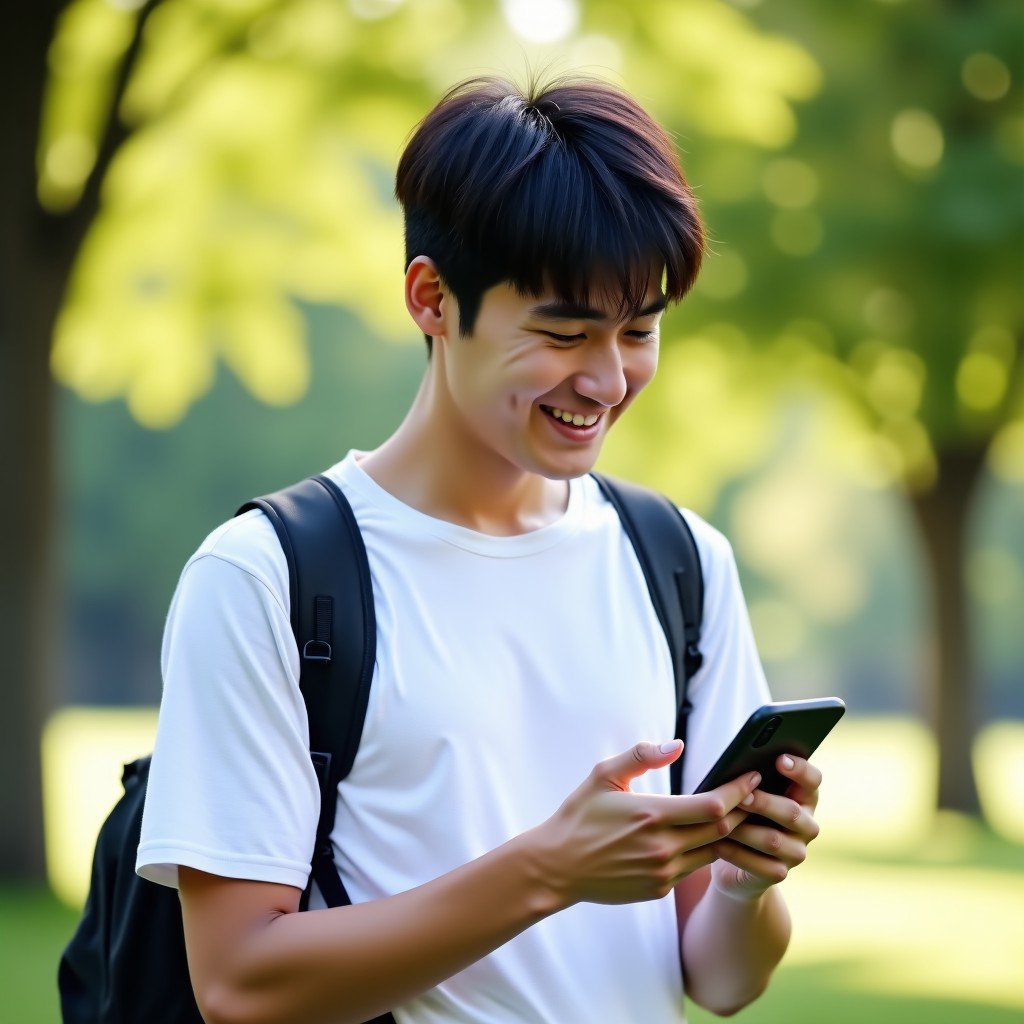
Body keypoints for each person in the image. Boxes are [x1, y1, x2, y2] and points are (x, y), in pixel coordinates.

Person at [137, 72, 824, 1024]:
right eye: (563, 331)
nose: (606, 378)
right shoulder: (265, 577)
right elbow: (239, 984)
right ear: (430, 298)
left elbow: (721, 979)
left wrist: (747, 881)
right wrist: (550, 868)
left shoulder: (681, 563)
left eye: (639, 330)